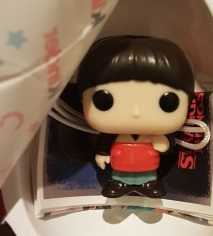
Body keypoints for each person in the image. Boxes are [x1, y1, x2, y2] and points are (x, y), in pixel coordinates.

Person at [77, 35, 194, 198]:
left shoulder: (154, 134)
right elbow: (104, 143)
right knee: (120, 173)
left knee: (148, 172)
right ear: (82, 100)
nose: (135, 112)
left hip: (148, 166)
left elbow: (169, 144)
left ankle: (148, 183)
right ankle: (119, 182)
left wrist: (164, 143)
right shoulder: (111, 134)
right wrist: (102, 153)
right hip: (120, 164)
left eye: (166, 102)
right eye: (104, 100)